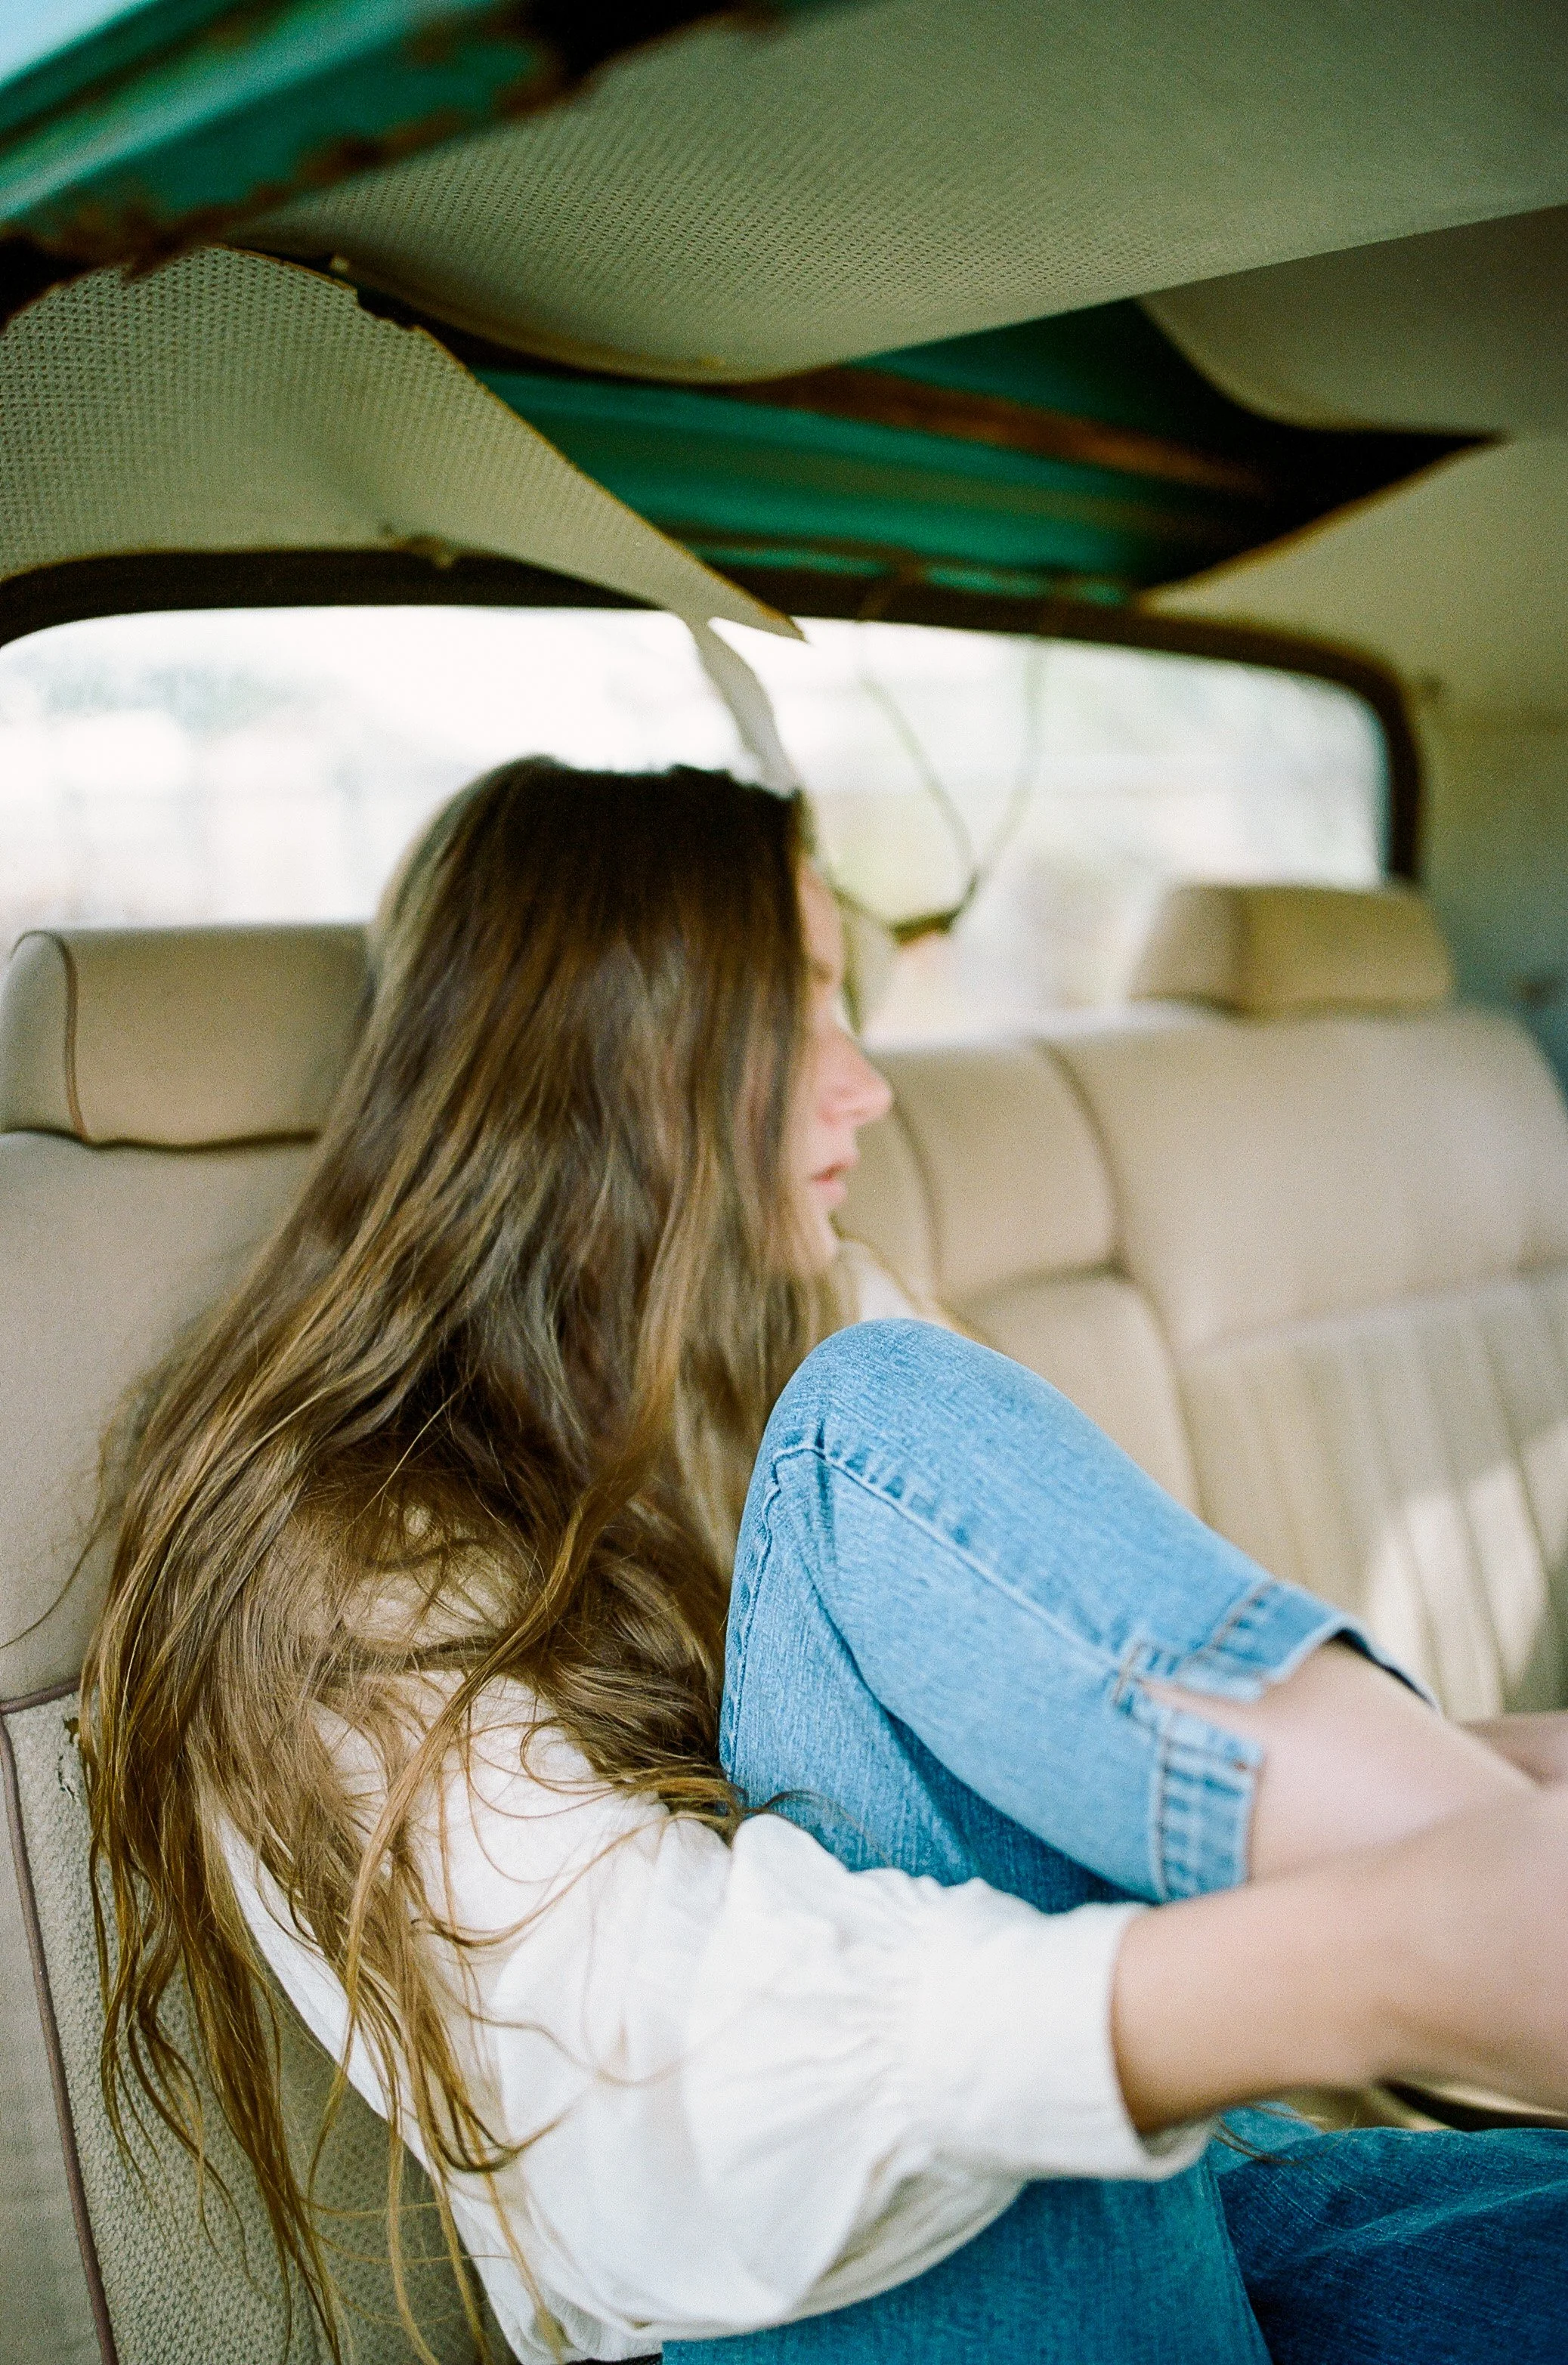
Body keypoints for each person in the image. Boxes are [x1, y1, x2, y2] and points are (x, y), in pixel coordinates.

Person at [84, 759, 1568, 2365]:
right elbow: (651, 2103)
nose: (865, 1088)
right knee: (871, 1411)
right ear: (616, 1052)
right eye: (798, 1007)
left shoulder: (796, 1314)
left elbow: (1116, 1740)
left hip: (1193, 2167)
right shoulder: (327, 1545)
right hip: (798, 2277)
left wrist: (1500, 1786)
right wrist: (1370, 1964)